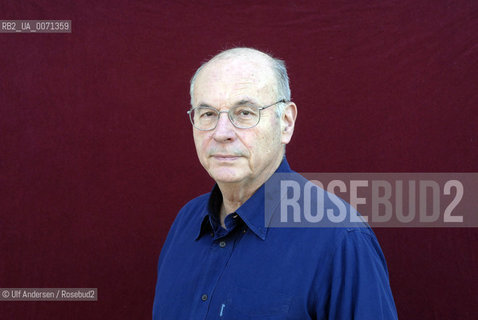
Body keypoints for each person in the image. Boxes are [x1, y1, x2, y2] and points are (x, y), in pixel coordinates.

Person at [153, 47, 398, 319]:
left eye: (244, 112)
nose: (221, 133)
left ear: (286, 123)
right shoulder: (184, 224)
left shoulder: (340, 239)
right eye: (208, 114)